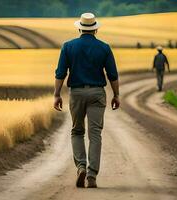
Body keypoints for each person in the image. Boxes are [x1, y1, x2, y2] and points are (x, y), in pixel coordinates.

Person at [53, 13, 119, 188]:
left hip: (76, 93)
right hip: (97, 93)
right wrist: (116, 95)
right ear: (95, 29)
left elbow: (60, 73)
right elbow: (112, 74)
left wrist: (57, 94)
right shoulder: (104, 48)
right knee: (95, 134)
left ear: (79, 28)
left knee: (77, 131)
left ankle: (81, 166)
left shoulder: (68, 47)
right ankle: (91, 175)